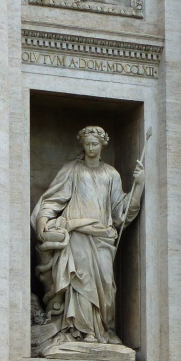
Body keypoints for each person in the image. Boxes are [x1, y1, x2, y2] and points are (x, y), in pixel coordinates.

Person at [31, 125, 144, 346]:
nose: (91, 148)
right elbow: (54, 199)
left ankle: (103, 329)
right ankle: (80, 331)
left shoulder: (111, 174)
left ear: (102, 145)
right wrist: (43, 219)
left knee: (106, 285)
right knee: (79, 281)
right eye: (87, 144)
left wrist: (138, 186)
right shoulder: (71, 170)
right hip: (77, 234)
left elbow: (121, 211)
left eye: (95, 144)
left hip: (103, 236)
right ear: (82, 145)